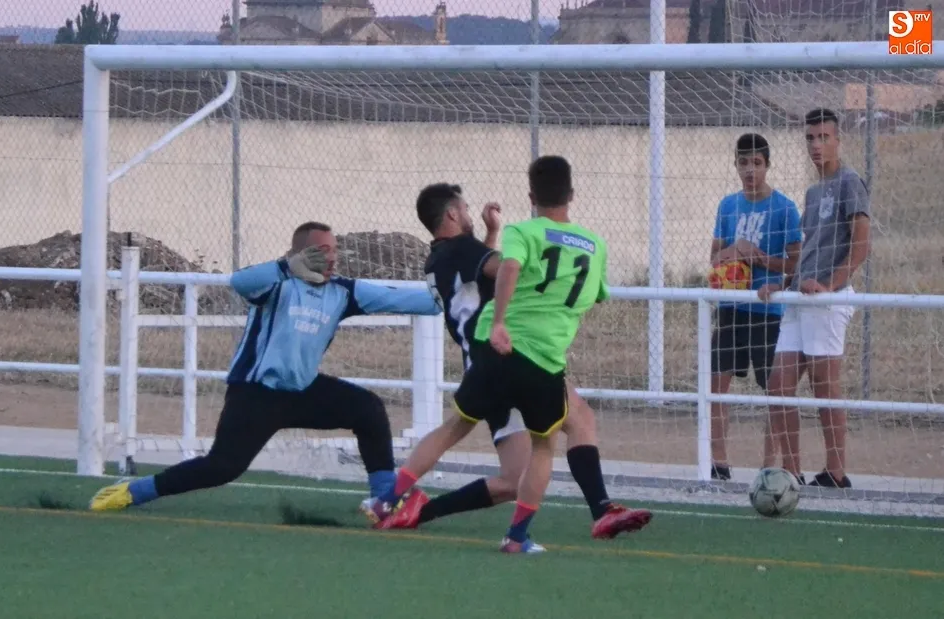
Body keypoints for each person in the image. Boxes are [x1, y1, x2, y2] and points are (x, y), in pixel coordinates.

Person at [362, 182, 651, 544]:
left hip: (482, 362)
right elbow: (507, 268)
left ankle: (407, 506)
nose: (469, 214)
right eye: (465, 209)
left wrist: (493, 233)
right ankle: (599, 509)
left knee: (511, 474)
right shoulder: (464, 249)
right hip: (509, 350)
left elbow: (477, 275)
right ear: (452, 214)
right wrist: (554, 254)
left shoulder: (438, 259)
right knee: (576, 422)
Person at [89, 222, 441, 511]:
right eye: (322, 250)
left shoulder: (343, 292)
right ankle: (135, 491)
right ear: (300, 253)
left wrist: (451, 294)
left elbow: (406, 299)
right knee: (222, 468)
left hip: (303, 391)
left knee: (369, 410)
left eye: (335, 249)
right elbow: (239, 281)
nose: (333, 257)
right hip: (256, 394)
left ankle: (384, 501)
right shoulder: (277, 284)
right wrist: (286, 267)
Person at [759, 108, 871, 489]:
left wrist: (830, 287)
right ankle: (791, 473)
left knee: (824, 385)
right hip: (798, 297)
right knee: (778, 385)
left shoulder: (850, 183)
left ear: (838, 140)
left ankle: (836, 472)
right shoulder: (812, 192)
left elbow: (860, 246)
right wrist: (783, 283)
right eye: (810, 138)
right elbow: (810, 251)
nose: (816, 145)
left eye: (824, 137)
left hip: (827, 299)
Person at [709, 133, 802, 481]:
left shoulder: (784, 208)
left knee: (774, 391)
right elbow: (714, 257)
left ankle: (769, 464)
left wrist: (760, 259)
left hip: (768, 313)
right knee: (716, 386)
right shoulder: (727, 206)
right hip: (731, 307)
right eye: (744, 163)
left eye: (757, 163)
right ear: (735, 165)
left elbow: (796, 265)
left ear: (767, 165)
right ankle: (718, 463)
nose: (750, 170)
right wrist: (734, 252)